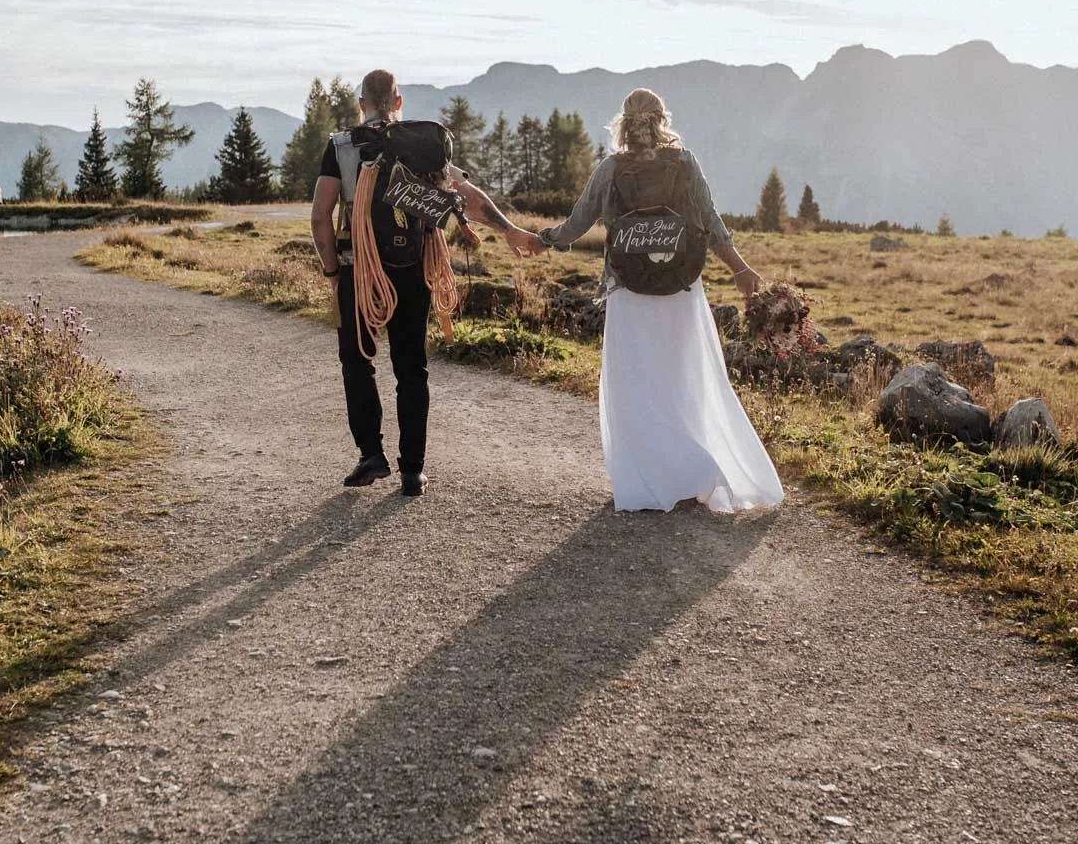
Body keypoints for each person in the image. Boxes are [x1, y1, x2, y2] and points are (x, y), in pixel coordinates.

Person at [538, 88, 784, 513]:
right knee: (683, 381)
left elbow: (576, 224)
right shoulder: (685, 163)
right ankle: (695, 472)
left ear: (622, 123)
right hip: (681, 291)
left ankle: (647, 481)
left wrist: (541, 239)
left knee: (636, 385)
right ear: (662, 119)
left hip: (629, 292)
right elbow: (711, 222)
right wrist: (741, 270)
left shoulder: (611, 169)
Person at [311, 69, 542, 496]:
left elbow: (320, 215)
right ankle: (413, 470)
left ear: (362, 105)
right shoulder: (421, 146)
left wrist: (331, 271)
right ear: (398, 102)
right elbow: (468, 197)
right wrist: (509, 229)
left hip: (359, 270)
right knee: (411, 369)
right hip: (413, 268)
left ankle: (371, 454)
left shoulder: (342, 146)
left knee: (357, 362)